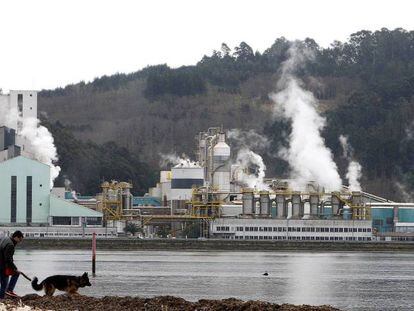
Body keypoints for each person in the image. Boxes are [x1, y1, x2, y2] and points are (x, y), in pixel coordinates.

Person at [0, 231, 24, 298]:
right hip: (3, 266)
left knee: (4, 283)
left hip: (2, 263)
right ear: (16, 237)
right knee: (4, 285)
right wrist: (15, 268)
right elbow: (8, 259)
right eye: (20, 240)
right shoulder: (10, 245)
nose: (20, 242)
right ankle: (3, 298)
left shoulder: (6, 238)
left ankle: (8, 291)